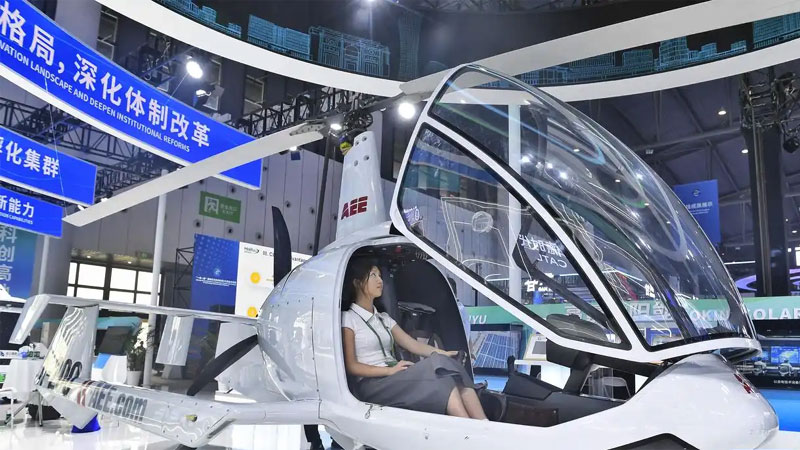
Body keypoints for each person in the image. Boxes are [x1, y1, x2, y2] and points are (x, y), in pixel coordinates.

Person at [341, 259, 487, 419]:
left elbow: (413, 345)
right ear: (357, 283)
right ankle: (473, 426)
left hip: (393, 376)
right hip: (372, 384)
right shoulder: (348, 318)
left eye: (380, 276)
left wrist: (445, 354)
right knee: (440, 372)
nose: (380, 280)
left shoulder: (384, 318)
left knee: (445, 370)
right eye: (373, 275)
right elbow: (351, 366)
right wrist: (389, 370)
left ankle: (481, 424)